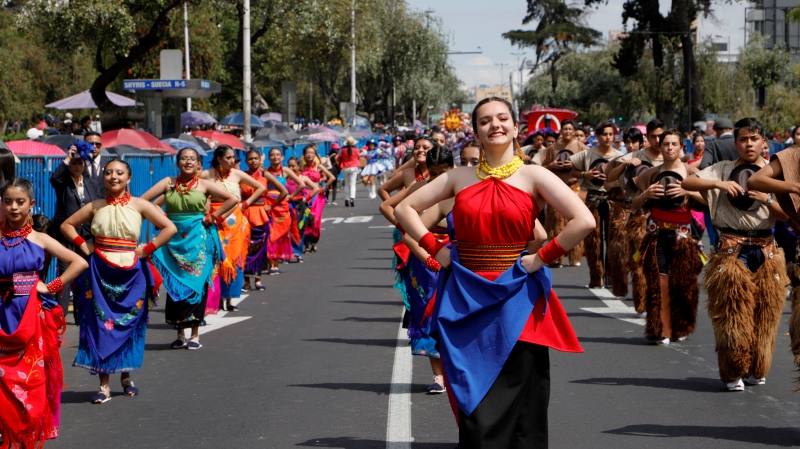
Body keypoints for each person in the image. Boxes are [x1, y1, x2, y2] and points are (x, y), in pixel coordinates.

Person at [395, 97, 592, 448]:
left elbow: (584, 220)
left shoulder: (534, 175)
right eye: (485, 121)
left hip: (518, 298)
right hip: (467, 299)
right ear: (476, 131)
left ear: (516, 127)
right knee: (475, 404)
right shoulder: (458, 177)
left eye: (503, 118)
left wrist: (540, 258)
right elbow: (405, 208)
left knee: (525, 404)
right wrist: (436, 248)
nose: (495, 125)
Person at [682, 117, 787, 391]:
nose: (748, 144)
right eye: (743, 139)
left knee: (765, 315)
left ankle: (757, 366)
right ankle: (732, 371)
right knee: (732, 313)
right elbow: (688, 182)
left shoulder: (774, 173)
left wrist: (768, 199)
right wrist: (718, 185)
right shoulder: (723, 169)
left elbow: (788, 215)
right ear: (736, 143)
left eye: (754, 139)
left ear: (763, 142)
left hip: (766, 250)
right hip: (731, 251)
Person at [60, 159, 176, 403]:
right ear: (103, 177)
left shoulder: (140, 205)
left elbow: (169, 228)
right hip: (100, 271)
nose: (113, 177)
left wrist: (147, 249)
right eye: (109, 172)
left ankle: (125, 377)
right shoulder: (95, 205)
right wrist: (85, 246)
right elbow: (67, 225)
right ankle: (103, 384)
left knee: (129, 325)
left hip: (132, 274)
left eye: (119, 173)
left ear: (129, 178)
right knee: (101, 325)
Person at [0, 179, 87, 446]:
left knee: (31, 381)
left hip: (30, 315)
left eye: (20, 202)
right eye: (8, 201)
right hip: (2, 313)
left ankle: (25, 435)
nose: (14, 207)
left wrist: (51, 287)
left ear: (31, 205)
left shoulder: (39, 238)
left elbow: (79, 262)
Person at [141, 148, 236, 349]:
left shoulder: (204, 184)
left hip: (199, 240)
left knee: (197, 285)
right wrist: (160, 218)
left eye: (192, 159)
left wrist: (213, 216)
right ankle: (179, 333)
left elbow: (232, 199)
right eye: (184, 158)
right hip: (173, 239)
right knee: (176, 284)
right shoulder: (168, 183)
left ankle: (195, 334)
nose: (188, 162)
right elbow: (143, 201)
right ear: (178, 163)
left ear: (198, 163)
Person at [632, 130, 704, 344]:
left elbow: (708, 200)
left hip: (683, 237)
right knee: (658, 281)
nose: (670, 148)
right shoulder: (651, 173)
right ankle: (660, 328)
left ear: (682, 147)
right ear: (660, 147)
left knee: (683, 283)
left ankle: (680, 327)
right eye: (666, 144)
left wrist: (687, 192)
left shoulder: (691, 172)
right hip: (656, 234)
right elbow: (634, 204)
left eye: (674, 144)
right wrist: (646, 195)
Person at [604, 121, 664, 308]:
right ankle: (641, 299)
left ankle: (660, 300)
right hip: (638, 214)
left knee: (662, 263)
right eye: (653, 136)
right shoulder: (633, 156)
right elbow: (609, 178)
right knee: (638, 260)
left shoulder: (670, 156)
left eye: (660, 136)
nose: (657, 140)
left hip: (665, 217)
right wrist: (625, 165)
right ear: (648, 138)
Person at [201, 145, 266, 311]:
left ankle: (229, 299)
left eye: (234, 158)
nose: (232, 161)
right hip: (214, 220)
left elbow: (261, 187)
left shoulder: (237, 174)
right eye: (228, 158)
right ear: (218, 159)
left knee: (235, 259)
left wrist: (247, 203)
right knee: (216, 259)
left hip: (236, 222)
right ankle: (215, 297)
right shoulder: (206, 175)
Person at [49, 143, 104, 321]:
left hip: (86, 235)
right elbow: (54, 177)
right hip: (66, 235)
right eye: (74, 163)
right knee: (65, 273)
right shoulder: (63, 183)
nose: (77, 166)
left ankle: (83, 313)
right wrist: (68, 157)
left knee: (84, 273)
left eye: (80, 163)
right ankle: (60, 314)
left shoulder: (92, 183)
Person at [567, 122, 622, 287]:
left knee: (614, 239)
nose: (608, 138)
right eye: (604, 134)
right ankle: (596, 278)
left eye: (611, 134)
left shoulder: (620, 156)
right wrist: (585, 174)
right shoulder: (587, 154)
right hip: (593, 198)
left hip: (614, 199)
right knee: (593, 240)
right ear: (597, 136)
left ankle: (611, 276)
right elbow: (570, 169)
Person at [542, 120, 588, 266]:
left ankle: (575, 256)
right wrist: (552, 165)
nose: (567, 131)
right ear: (561, 131)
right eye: (565, 129)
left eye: (570, 129)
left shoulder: (581, 147)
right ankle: (555, 257)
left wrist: (573, 166)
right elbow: (542, 167)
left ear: (574, 131)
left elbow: (587, 170)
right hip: (556, 186)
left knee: (575, 221)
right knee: (556, 223)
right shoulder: (553, 148)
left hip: (574, 187)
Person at [242, 149, 287, 290]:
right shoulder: (242, 175)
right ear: (246, 161)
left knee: (260, 247)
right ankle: (246, 282)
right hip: (245, 213)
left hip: (261, 213)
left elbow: (283, 191)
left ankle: (258, 280)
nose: (253, 161)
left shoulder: (265, 174)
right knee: (245, 247)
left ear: (260, 160)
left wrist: (271, 205)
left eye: (256, 158)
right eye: (250, 159)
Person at [265, 148, 305, 273]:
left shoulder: (285, 170)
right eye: (272, 155)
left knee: (280, 236)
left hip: (282, 207)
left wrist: (291, 196)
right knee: (270, 235)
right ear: (268, 158)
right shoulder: (265, 172)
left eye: (277, 155)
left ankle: (276, 261)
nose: (275, 157)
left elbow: (301, 184)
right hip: (269, 206)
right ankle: (271, 262)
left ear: (282, 157)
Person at [300, 145, 335, 253]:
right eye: (307, 153)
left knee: (315, 220)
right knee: (305, 219)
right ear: (304, 155)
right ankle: (306, 243)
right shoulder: (301, 167)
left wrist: (324, 187)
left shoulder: (319, 166)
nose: (309, 155)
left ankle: (314, 241)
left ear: (315, 155)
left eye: (312, 153)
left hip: (317, 197)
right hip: (305, 196)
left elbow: (332, 177)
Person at [338, 137, 362, 207]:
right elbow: (358, 157)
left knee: (346, 184)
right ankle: (352, 198)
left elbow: (339, 157)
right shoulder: (356, 150)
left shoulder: (342, 150)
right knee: (353, 184)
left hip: (345, 167)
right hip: (354, 167)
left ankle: (346, 199)